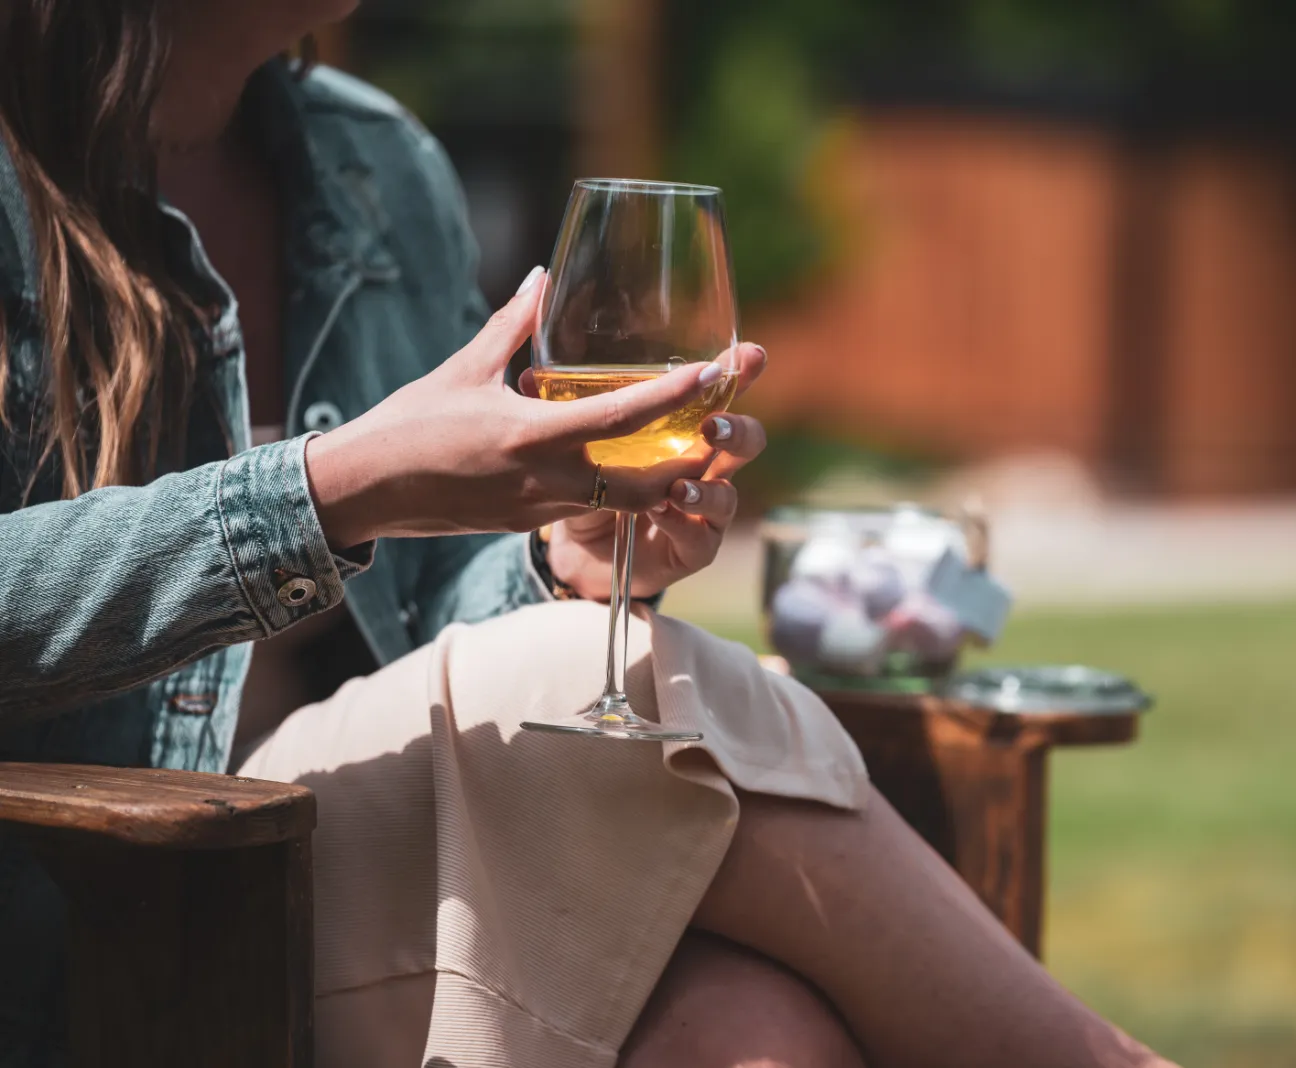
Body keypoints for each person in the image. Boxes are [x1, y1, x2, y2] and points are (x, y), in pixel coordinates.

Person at [0, 2, 1180, 1066]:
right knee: (611, 683)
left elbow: (429, 625)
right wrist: (332, 489)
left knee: (755, 1035)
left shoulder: (372, 163)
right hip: (98, 900)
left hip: (353, 863)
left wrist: (556, 563)